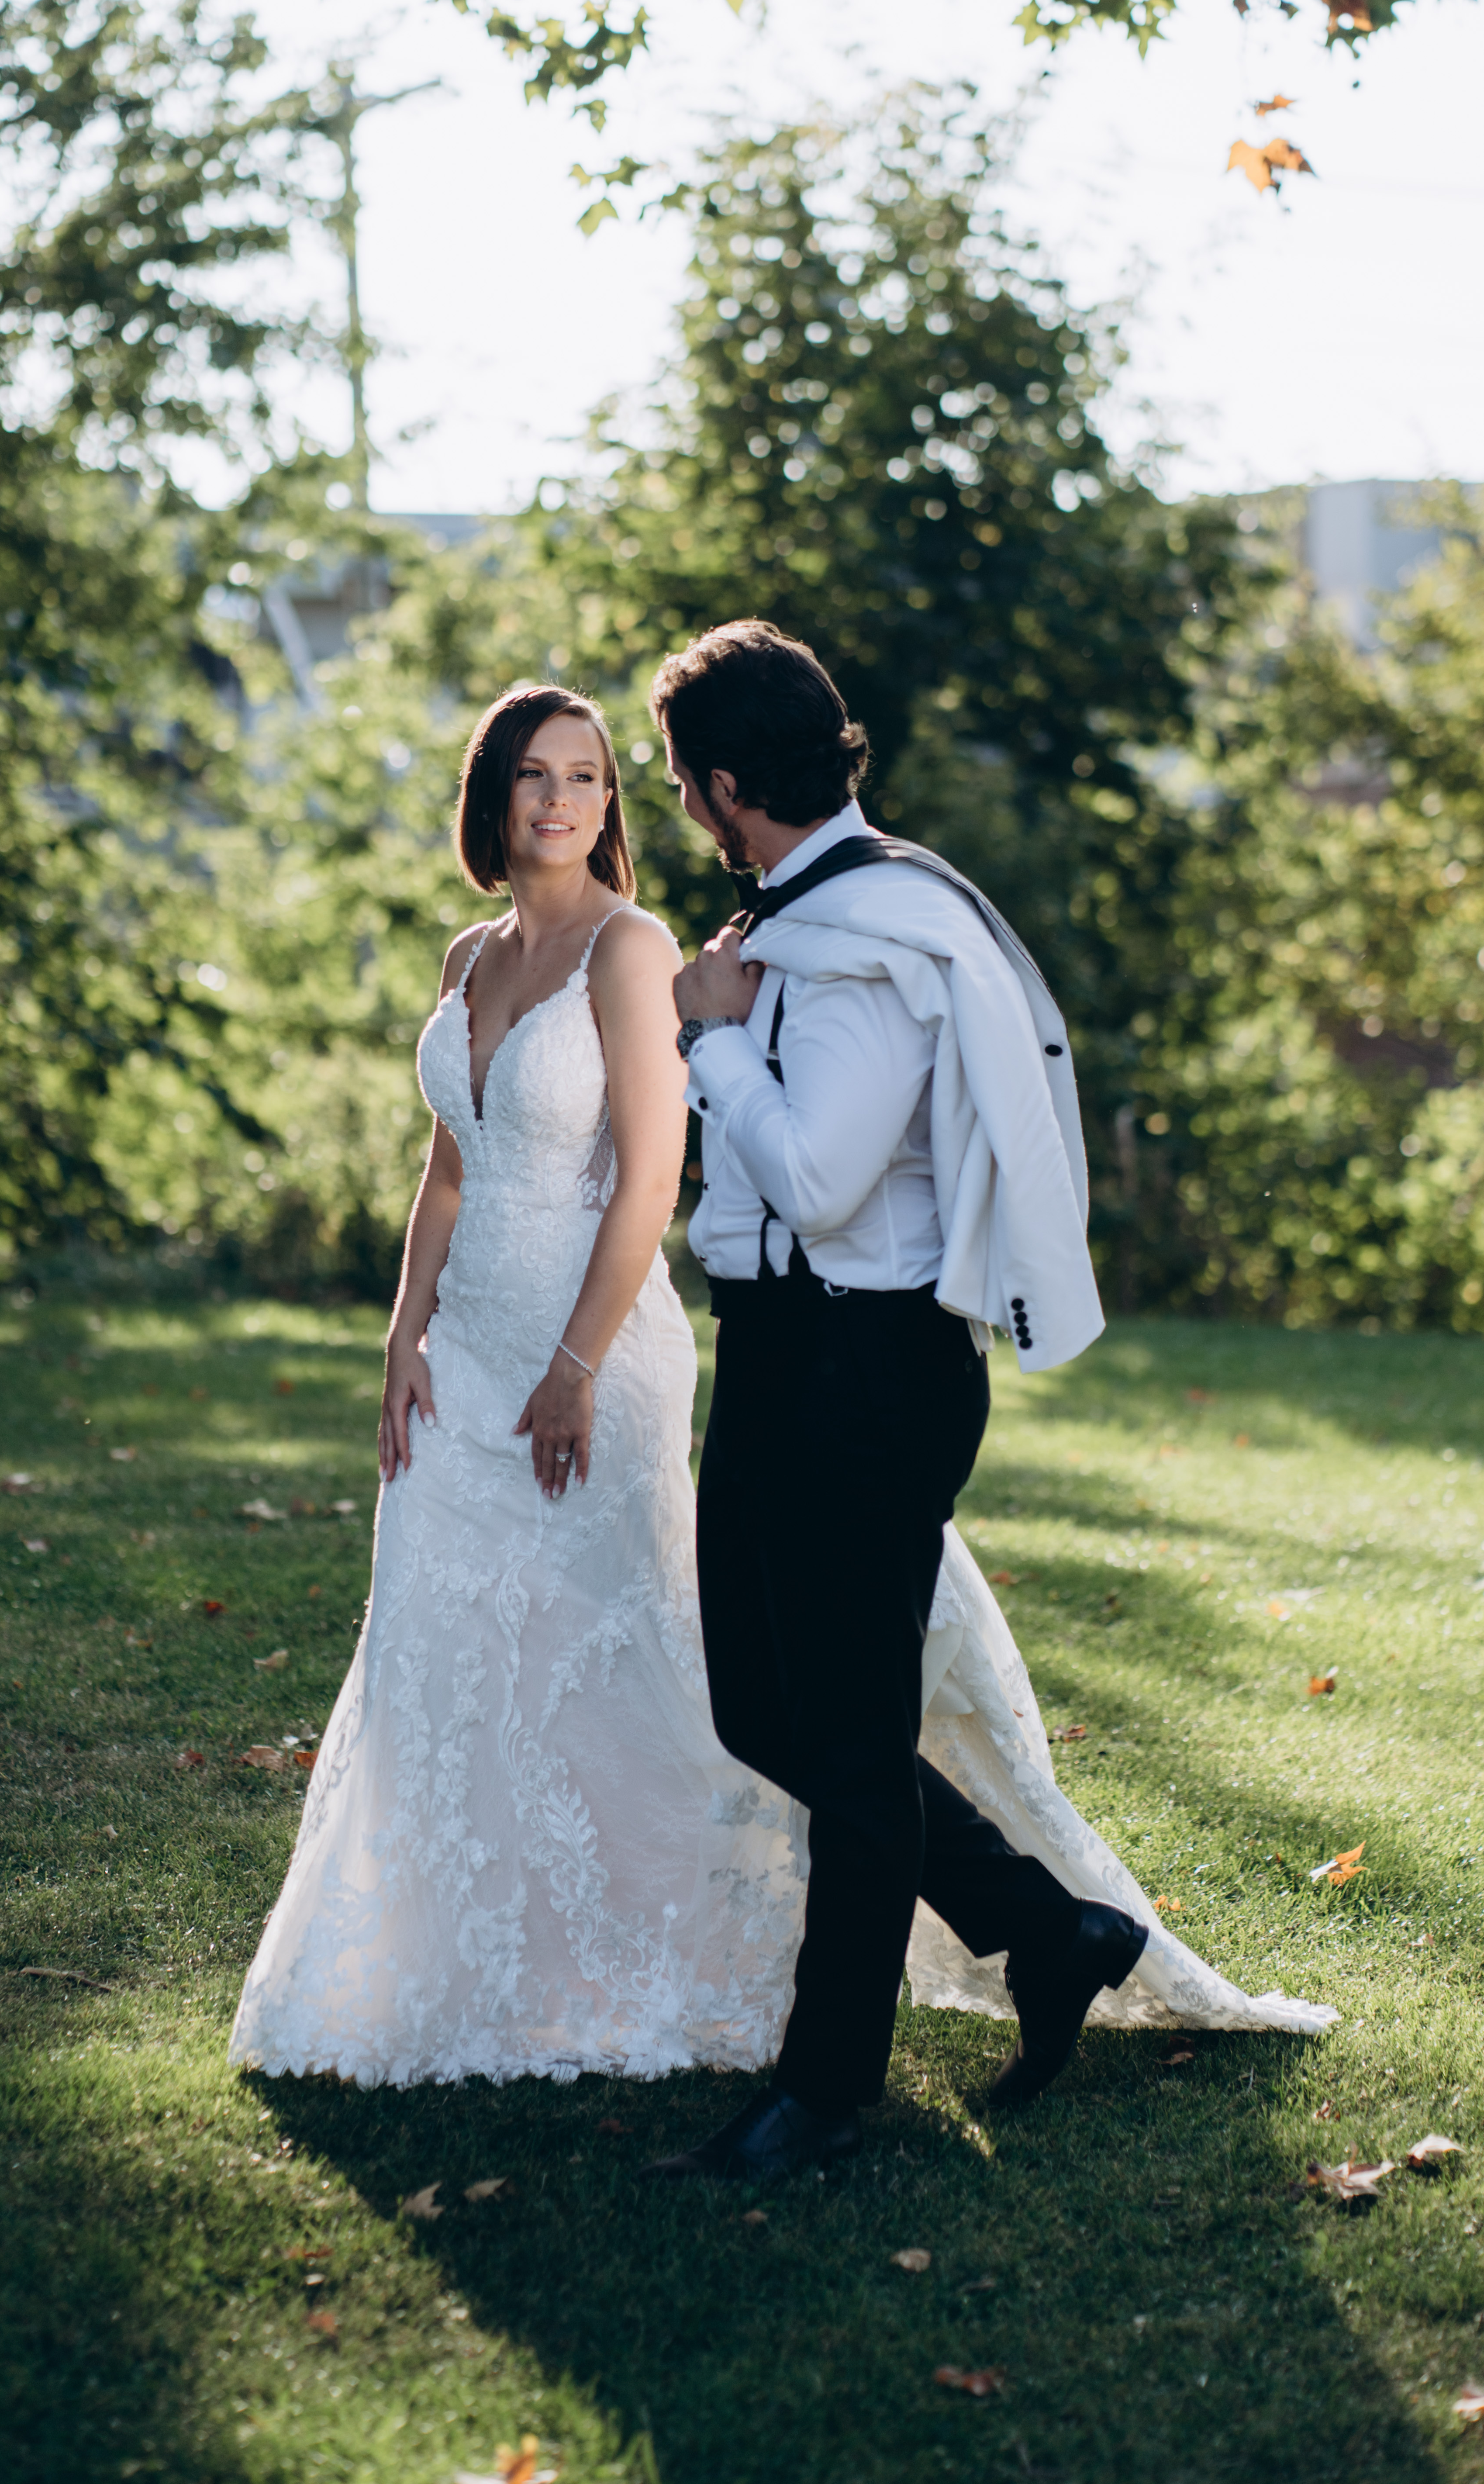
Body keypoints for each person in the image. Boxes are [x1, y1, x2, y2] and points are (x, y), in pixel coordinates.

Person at [641, 620, 1332, 2185]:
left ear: (726, 785)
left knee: (849, 1735)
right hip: (776, 1355)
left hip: (864, 1368)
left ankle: (823, 2090)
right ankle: (1048, 1926)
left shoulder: (874, 936)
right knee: (763, 1707)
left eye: (681, 779)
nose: (680, 803)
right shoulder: (790, 924)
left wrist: (710, 1037)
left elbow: (820, 1180)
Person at [226, 684, 809, 2085]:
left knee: (601, 1656)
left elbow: (653, 1178)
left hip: (590, 1351)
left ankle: (660, 1944)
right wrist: (403, 1331)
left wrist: (572, 1367)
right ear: (492, 795)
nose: (559, 799)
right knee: (440, 1642)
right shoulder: (470, 951)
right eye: (535, 775)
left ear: (611, 804)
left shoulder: (629, 946)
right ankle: (462, 1954)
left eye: (587, 776)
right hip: (464, 1352)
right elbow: (448, 1167)